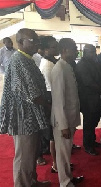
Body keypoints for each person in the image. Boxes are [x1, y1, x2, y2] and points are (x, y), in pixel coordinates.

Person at [0, 28, 51, 187]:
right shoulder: (19, 61)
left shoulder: (27, 58)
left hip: (30, 115)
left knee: (31, 153)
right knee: (24, 155)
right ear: (20, 42)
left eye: (36, 40)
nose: (36, 43)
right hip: (23, 117)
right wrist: (50, 105)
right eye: (32, 40)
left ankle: (32, 182)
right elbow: (33, 94)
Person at [51, 38, 83, 186]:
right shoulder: (59, 69)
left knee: (66, 152)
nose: (76, 51)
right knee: (63, 154)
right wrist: (63, 125)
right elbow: (58, 101)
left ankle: (68, 178)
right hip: (62, 121)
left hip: (70, 117)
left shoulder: (67, 66)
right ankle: (64, 183)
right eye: (73, 48)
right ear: (64, 50)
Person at [76, 44, 101, 156]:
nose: (94, 54)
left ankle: (92, 141)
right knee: (89, 123)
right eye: (91, 52)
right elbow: (88, 82)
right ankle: (88, 146)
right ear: (85, 52)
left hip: (95, 98)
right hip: (87, 99)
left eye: (94, 52)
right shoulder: (82, 65)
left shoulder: (93, 62)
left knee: (94, 121)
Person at [39, 36, 59, 172]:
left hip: (53, 98)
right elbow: (53, 87)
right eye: (53, 46)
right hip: (51, 99)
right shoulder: (47, 65)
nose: (56, 48)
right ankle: (56, 165)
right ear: (46, 49)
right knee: (53, 135)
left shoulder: (52, 61)